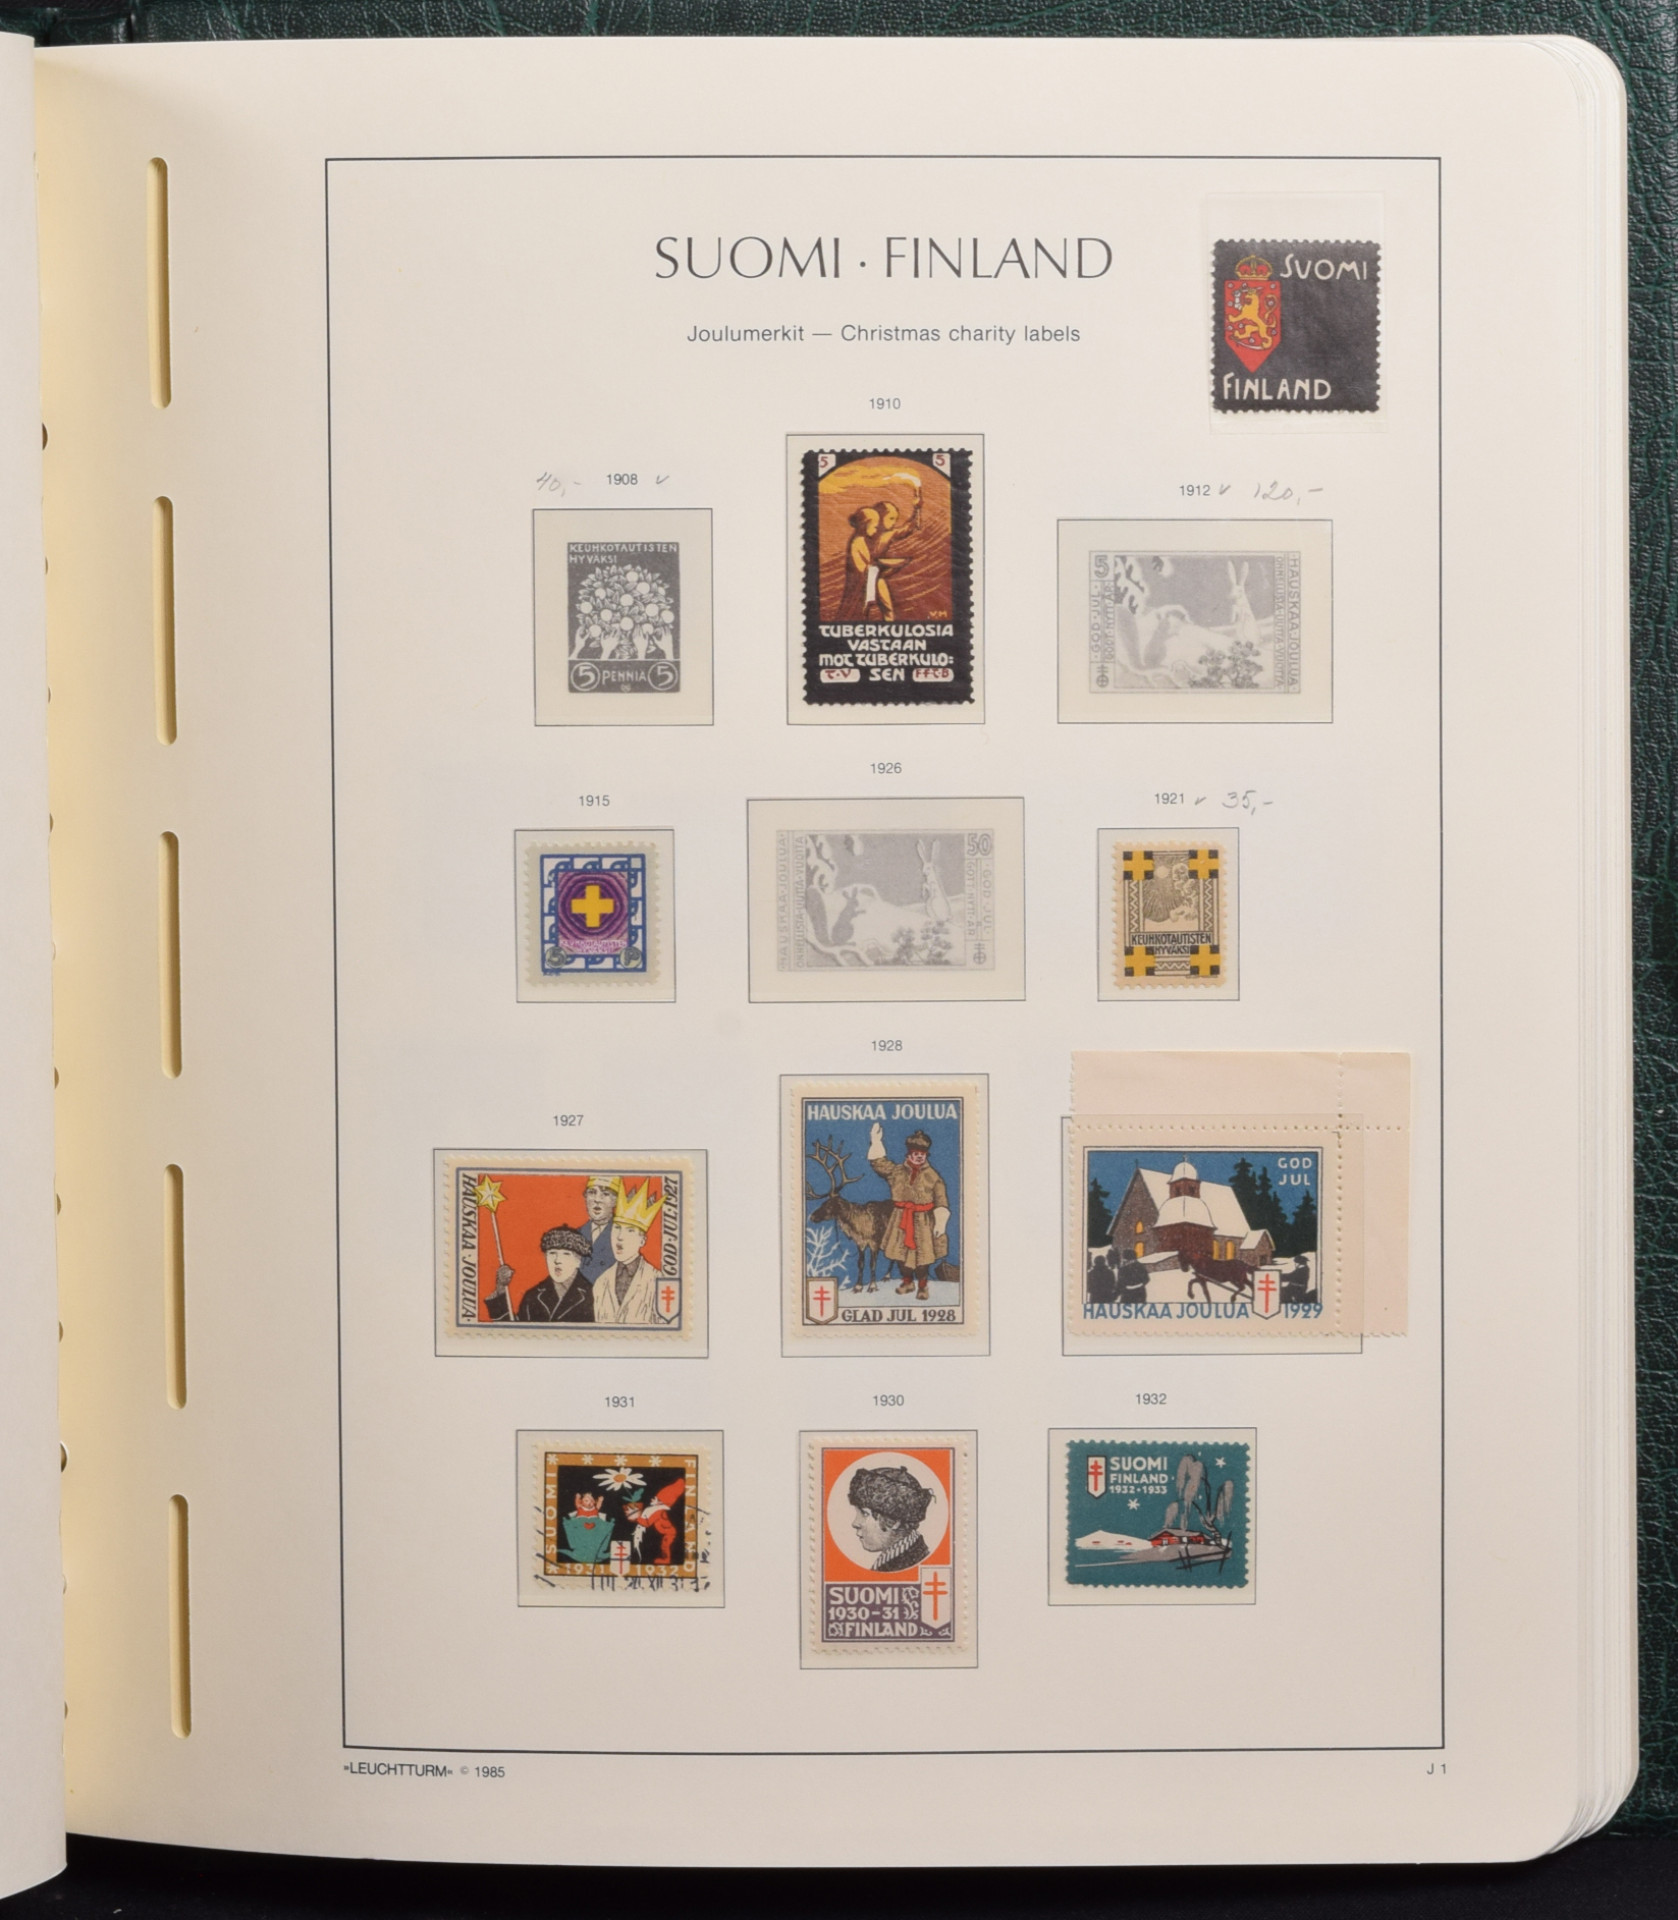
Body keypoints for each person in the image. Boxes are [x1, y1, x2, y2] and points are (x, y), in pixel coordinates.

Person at [867, 1122, 950, 1301]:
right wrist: (876, 1141)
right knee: (900, 1254)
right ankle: (907, 1282)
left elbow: (941, 1200)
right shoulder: (896, 1172)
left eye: (922, 1154)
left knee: (922, 1257)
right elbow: (879, 1164)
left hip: (923, 1221)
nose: (919, 1157)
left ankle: (922, 1286)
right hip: (900, 1220)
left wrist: (941, 1221)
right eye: (916, 1154)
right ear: (909, 1154)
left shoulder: (933, 1177)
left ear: (926, 1155)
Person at [591, 1178, 675, 1325]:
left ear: (642, 1240)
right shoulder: (601, 1282)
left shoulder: (658, 1280)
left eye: (630, 1230)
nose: (620, 1237)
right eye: (617, 1228)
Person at [484, 1224, 593, 1323]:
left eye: (566, 1254)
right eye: (552, 1253)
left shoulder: (594, 1295)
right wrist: (501, 1289)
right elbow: (512, 1332)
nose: (557, 1260)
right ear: (545, 1257)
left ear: (578, 1261)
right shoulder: (533, 1296)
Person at [847, 1462, 934, 1573]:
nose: (855, 1523)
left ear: (894, 1521)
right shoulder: (899, 1558)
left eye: (864, 1513)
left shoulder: (906, 1563)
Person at [578, 1176, 618, 1283]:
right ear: (585, 1197)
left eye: (605, 1194)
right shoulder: (576, 1234)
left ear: (615, 1201)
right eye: (592, 1192)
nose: (597, 1199)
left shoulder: (621, 1235)